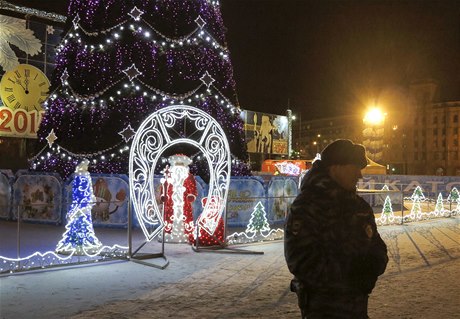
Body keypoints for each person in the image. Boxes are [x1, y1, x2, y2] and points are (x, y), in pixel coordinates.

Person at [285, 139, 388, 318]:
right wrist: (350, 275)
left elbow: (377, 247)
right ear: (335, 168)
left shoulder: (359, 207)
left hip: (357, 307)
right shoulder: (307, 206)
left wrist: (371, 269)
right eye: (355, 167)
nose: (360, 175)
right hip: (323, 309)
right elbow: (300, 260)